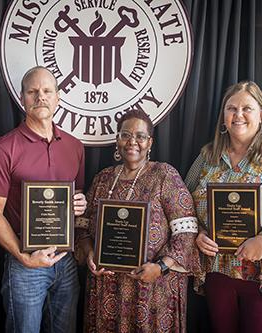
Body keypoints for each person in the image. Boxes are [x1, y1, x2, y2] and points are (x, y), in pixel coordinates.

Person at [185, 81, 262, 333]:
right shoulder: (207, 156)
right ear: (223, 116)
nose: (238, 115)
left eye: (247, 108)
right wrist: (197, 233)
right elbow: (183, 201)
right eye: (231, 108)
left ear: (261, 115)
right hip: (218, 269)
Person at [0, 66, 87, 333]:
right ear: (22, 98)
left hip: (66, 260)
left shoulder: (75, 146)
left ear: (58, 97)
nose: (40, 97)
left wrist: (80, 203)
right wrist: (23, 255)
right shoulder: (3, 148)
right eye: (33, 91)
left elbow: (76, 200)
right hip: (25, 262)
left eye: (47, 91)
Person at [77, 109, 201, 333]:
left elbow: (187, 229)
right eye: (125, 135)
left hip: (152, 289)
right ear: (117, 139)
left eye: (140, 136)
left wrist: (161, 267)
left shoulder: (164, 175)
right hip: (107, 287)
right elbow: (82, 226)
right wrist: (89, 253)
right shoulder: (103, 178)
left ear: (150, 142)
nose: (132, 141)